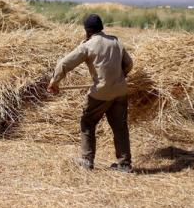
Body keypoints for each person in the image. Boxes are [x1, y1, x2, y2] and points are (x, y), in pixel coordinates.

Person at [47, 14, 134, 172]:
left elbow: (65, 63)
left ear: (87, 31)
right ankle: (125, 164)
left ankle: (87, 161)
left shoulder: (88, 45)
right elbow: (129, 64)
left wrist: (55, 81)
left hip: (100, 93)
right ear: (101, 28)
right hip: (121, 91)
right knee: (120, 127)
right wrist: (119, 77)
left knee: (87, 123)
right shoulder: (116, 41)